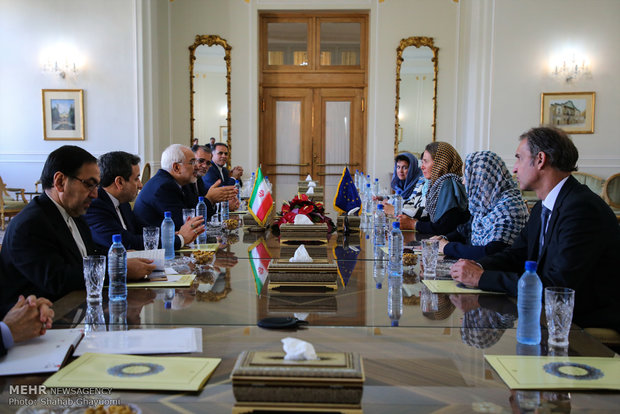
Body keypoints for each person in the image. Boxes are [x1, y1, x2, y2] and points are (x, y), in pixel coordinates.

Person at [450, 126, 620, 331]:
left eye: (519, 158)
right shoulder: (543, 206)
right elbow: (516, 255)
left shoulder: (582, 208)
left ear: (540, 159)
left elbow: (557, 286)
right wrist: (475, 265)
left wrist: (481, 277)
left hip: (582, 323)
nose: (514, 168)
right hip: (544, 315)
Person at [0, 146, 156, 306]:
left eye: (96, 186)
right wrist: (119, 269)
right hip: (43, 320)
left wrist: (121, 257)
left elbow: (89, 255)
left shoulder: (74, 211)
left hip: (77, 308)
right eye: (89, 185)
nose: (95, 194)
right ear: (60, 182)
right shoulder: (30, 224)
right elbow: (57, 280)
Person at [84, 151, 204, 251]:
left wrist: (174, 235)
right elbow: (127, 242)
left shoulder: (122, 202)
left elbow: (146, 231)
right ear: (119, 182)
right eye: (136, 179)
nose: (141, 185)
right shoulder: (95, 206)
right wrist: (180, 239)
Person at [433, 151, 529, 260]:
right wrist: (443, 238)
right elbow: (466, 229)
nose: (464, 182)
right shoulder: (487, 202)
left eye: (467, 176)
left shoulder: (509, 207)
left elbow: (491, 253)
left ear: (482, 178)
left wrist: (447, 247)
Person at [134, 144, 236, 228]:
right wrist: (210, 199)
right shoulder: (164, 186)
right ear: (176, 167)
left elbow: (192, 210)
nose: (196, 167)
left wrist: (213, 200)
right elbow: (184, 224)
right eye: (192, 162)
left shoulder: (181, 183)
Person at [400, 142, 469, 235]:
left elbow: (444, 227)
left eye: (426, 161)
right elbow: (433, 219)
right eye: (422, 162)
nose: (422, 167)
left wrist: (414, 224)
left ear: (440, 163)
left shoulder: (448, 184)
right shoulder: (437, 183)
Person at [187, 145, 240, 211]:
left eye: (208, 163)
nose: (204, 166)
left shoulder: (199, 179)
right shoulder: (186, 181)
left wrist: (226, 206)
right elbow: (220, 192)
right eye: (200, 161)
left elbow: (206, 206)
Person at [382, 152, 427, 219]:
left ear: (412, 168)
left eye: (404, 167)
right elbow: (399, 197)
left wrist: (392, 205)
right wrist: (383, 198)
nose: (400, 171)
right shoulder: (400, 182)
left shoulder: (421, 182)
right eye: (398, 167)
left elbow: (412, 204)